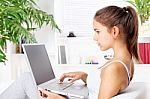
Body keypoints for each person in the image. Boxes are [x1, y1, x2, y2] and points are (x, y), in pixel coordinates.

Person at [39, 5, 140, 99]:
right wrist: (84, 76)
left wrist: (58, 98)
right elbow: (106, 84)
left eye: (98, 31)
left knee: (28, 83)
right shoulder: (126, 60)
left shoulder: (114, 68)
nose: (94, 38)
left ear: (114, 31)